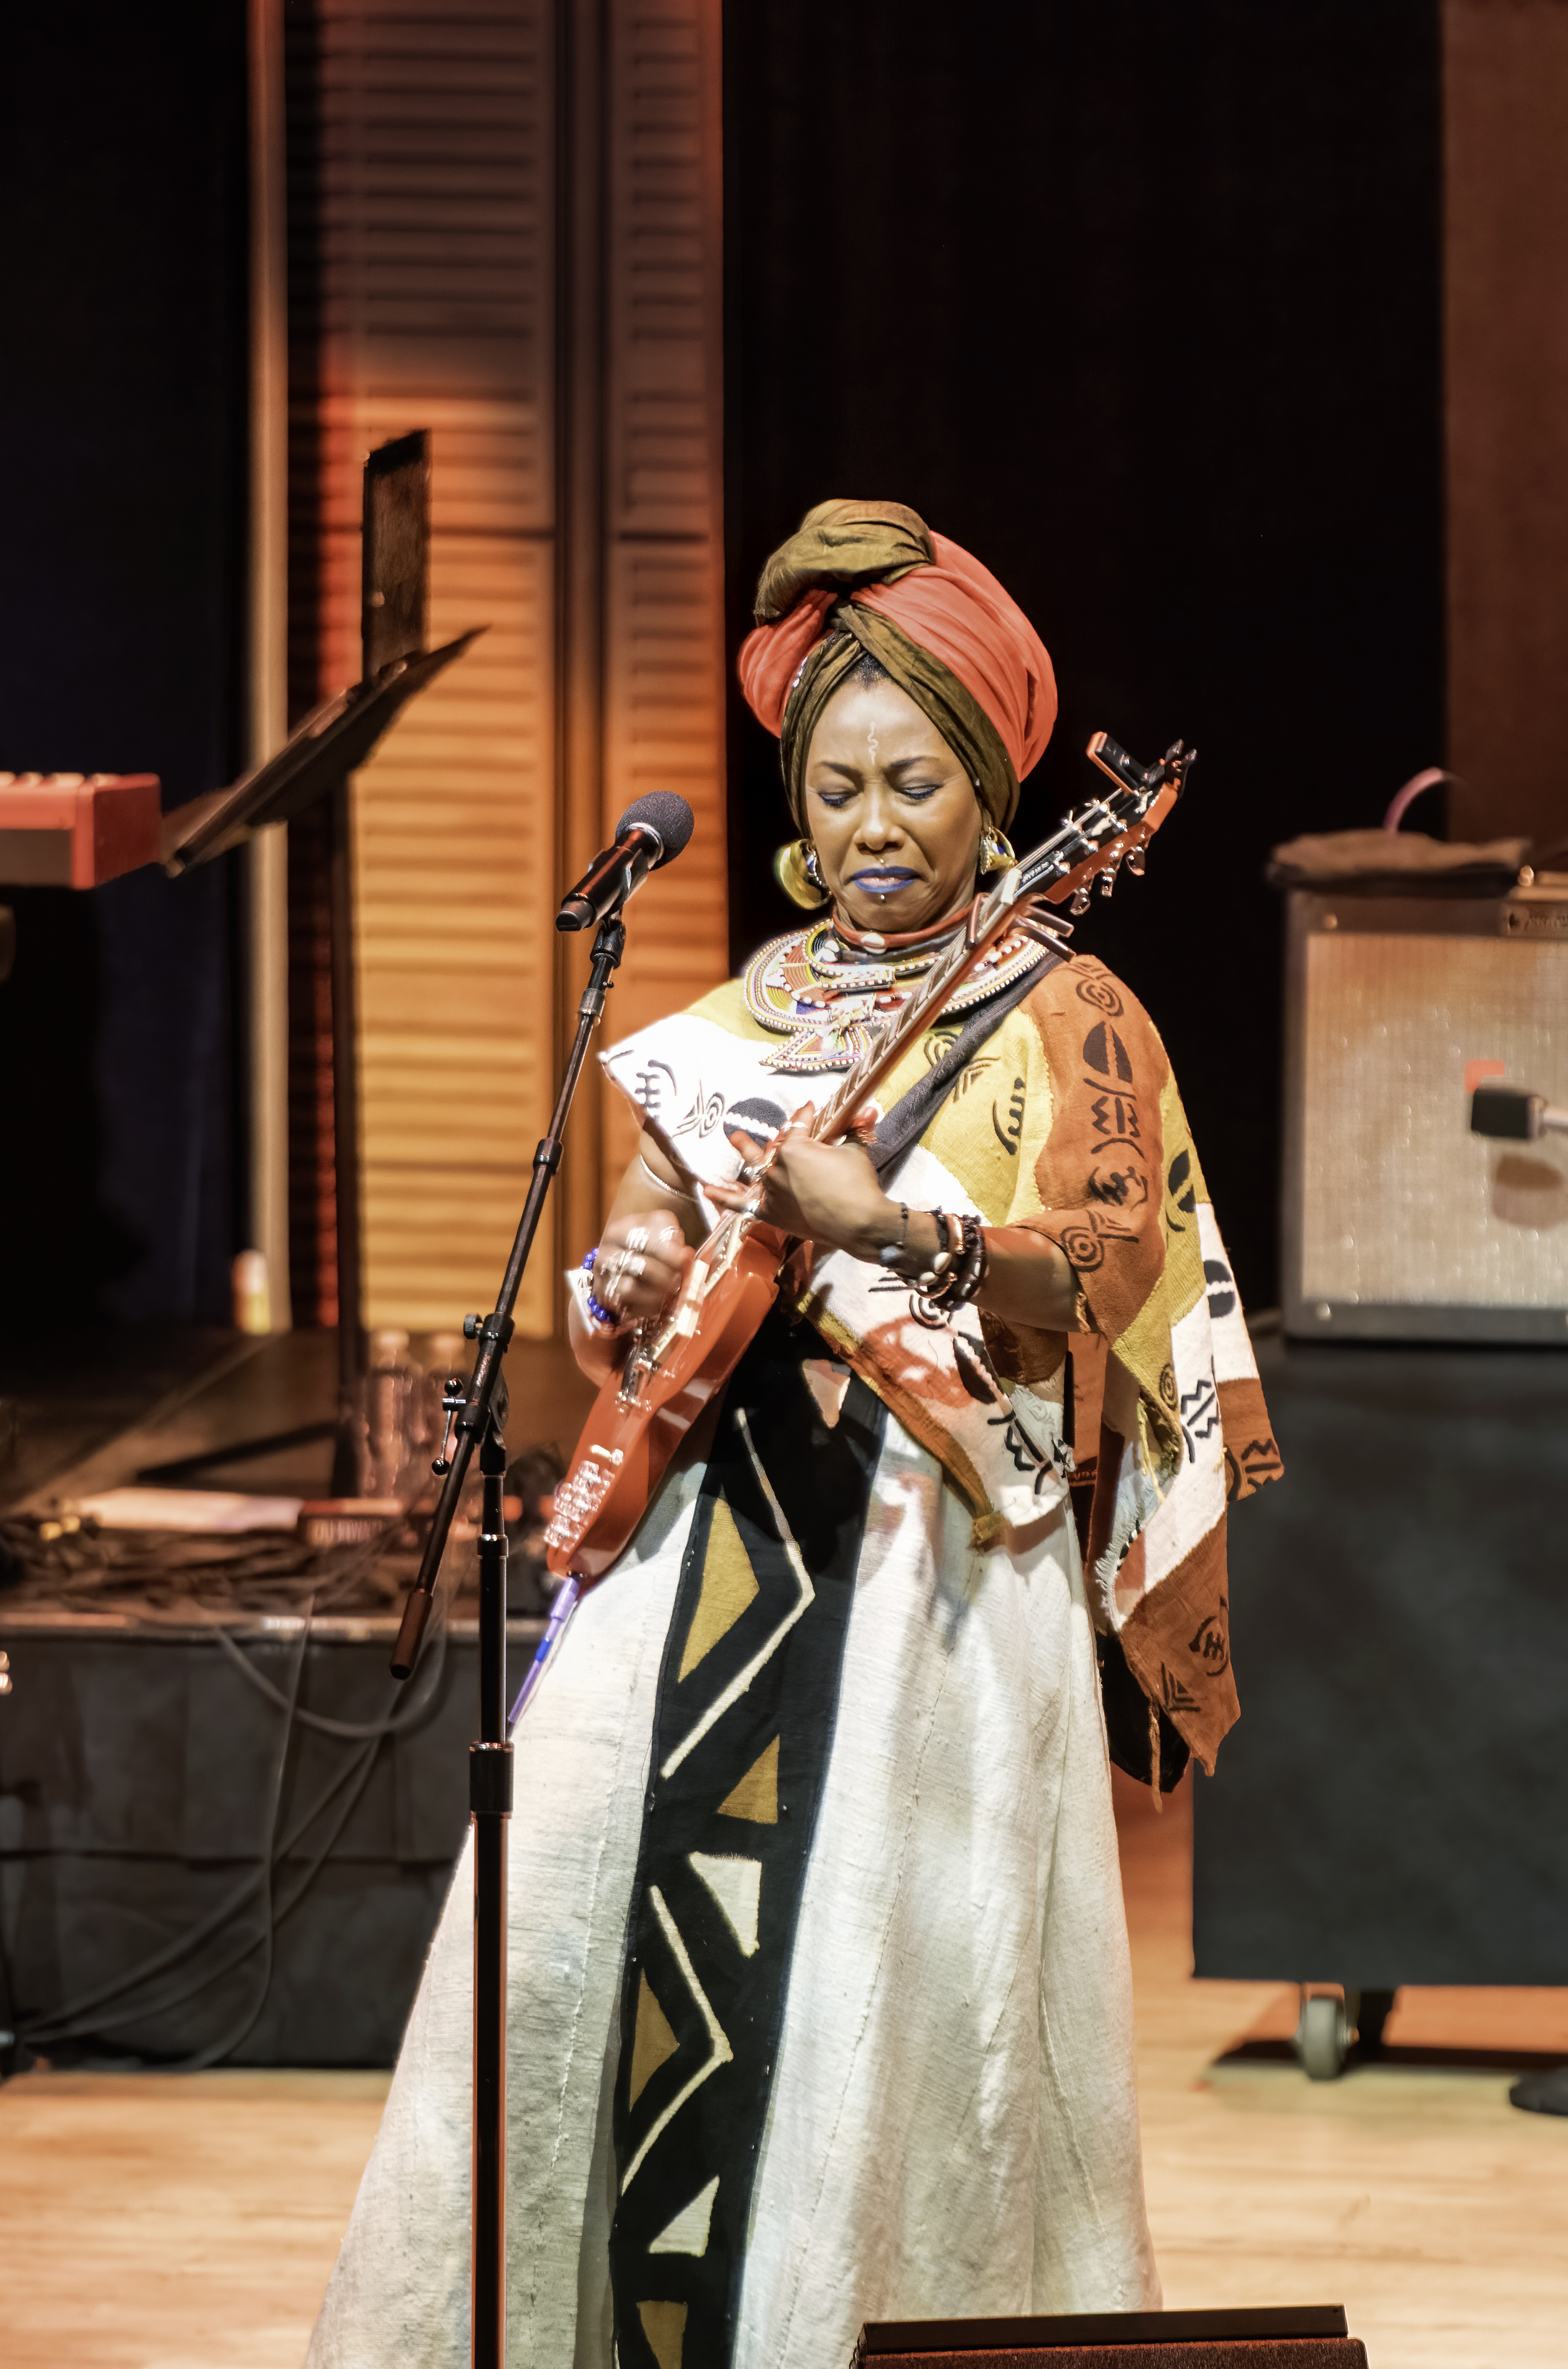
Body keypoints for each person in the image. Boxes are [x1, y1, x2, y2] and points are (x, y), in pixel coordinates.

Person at [306, 502, 1279, 2369]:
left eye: (909, 781)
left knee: (873, 1986)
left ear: (988, 786)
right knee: (573, 1916)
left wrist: (890, 1230)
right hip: (699, 1543)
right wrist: (622, 1268)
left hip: (925, 1561)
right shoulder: (752, 1003)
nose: (868, 826)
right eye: (832, 787)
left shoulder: (1065, 1002)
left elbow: (1102, 1262)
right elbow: (658, 1228)